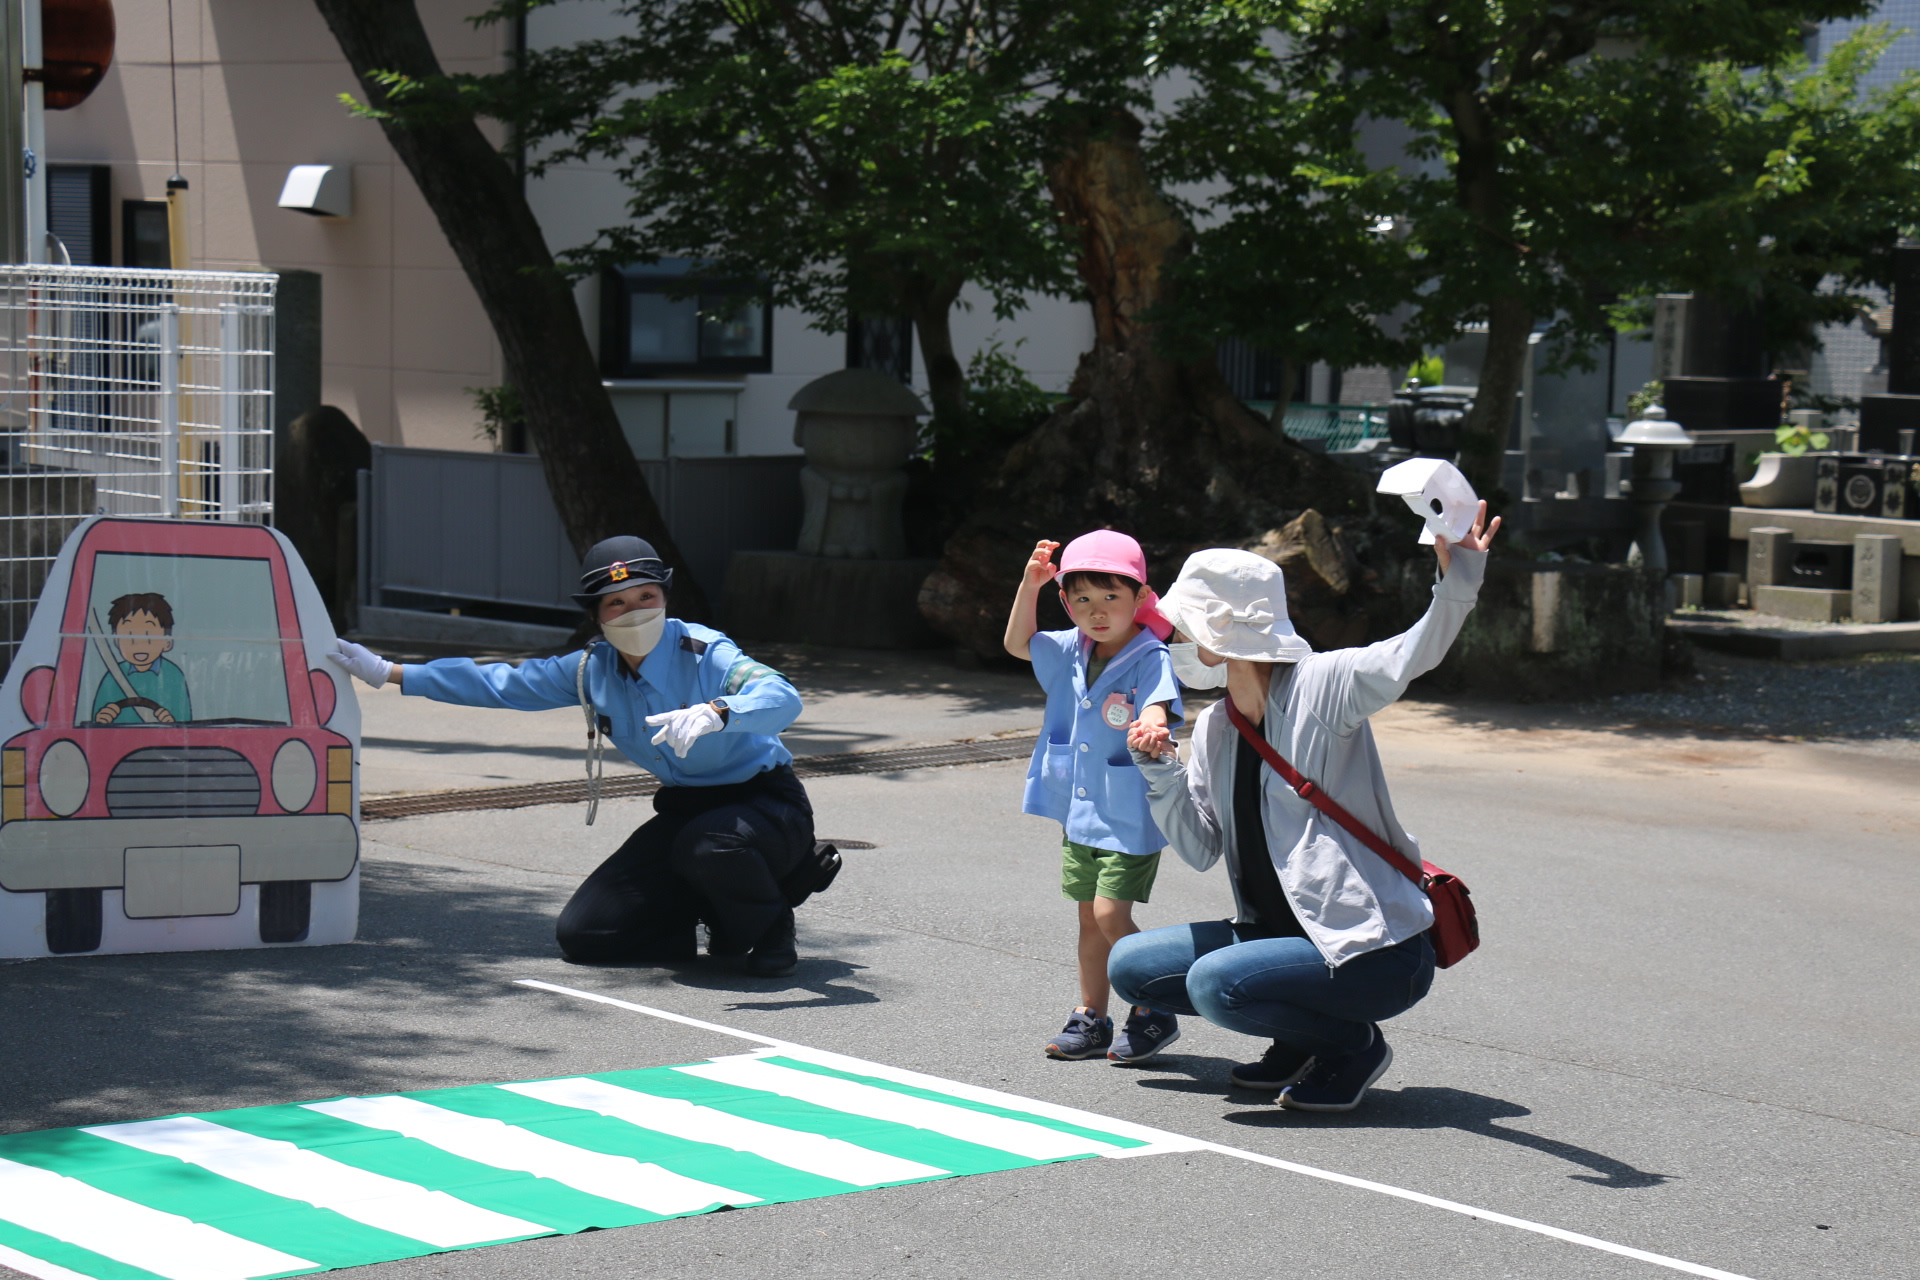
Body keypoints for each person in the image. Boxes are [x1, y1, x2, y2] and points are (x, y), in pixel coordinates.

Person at [1117, 503, 1500, 1112]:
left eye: (1180, 630)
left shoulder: (1326, 685)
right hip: (1280, 940)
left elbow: (1415, 652)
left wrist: (1462, 577)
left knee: (1215, 985)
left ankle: (1351, 1046)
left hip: (1374, 951)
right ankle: (1300, 1036)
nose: (1170, 642)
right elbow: (1200, 849)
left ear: (1218, 634)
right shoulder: (1217, 726)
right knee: (1132, 966)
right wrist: (1159, 771)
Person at [328, 536, 822, 977]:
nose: (634, 612)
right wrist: (390, 672)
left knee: (709, 852)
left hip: (763, 806)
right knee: (587, 935)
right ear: (596, 615)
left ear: (666, 598)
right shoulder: (590, 669)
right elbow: (501, 683)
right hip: (687, 810)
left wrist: (720, 711)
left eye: (647, 597)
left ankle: (772, 914)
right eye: (617, 603)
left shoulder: (705, 651)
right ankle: (713, 903)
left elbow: (782, 697)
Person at [1005, 530, 1184, 1063]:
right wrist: (1028, 585)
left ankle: (1158, 1004)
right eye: (1081, 598)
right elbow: (1018, 643)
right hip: (1079, 810)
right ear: (1066, 602)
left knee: (1109, 914)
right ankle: (1092, 1016)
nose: (1097, 611)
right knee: (1089, 919)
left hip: (1128, 813)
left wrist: (1153, 726)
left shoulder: (1151, 655)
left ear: (1141, 597)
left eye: (1111, 597)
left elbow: (1157, 706)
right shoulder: (1068, 649)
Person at [93, 592, 192, 725]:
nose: (139, 643)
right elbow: (95, 723)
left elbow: (185, 723)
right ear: (116, 641)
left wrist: (170, 721)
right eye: (129, 636)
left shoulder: (173, 675)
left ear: (167, 642)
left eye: (148, 635)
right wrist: (104, 717)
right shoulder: (113, 675)